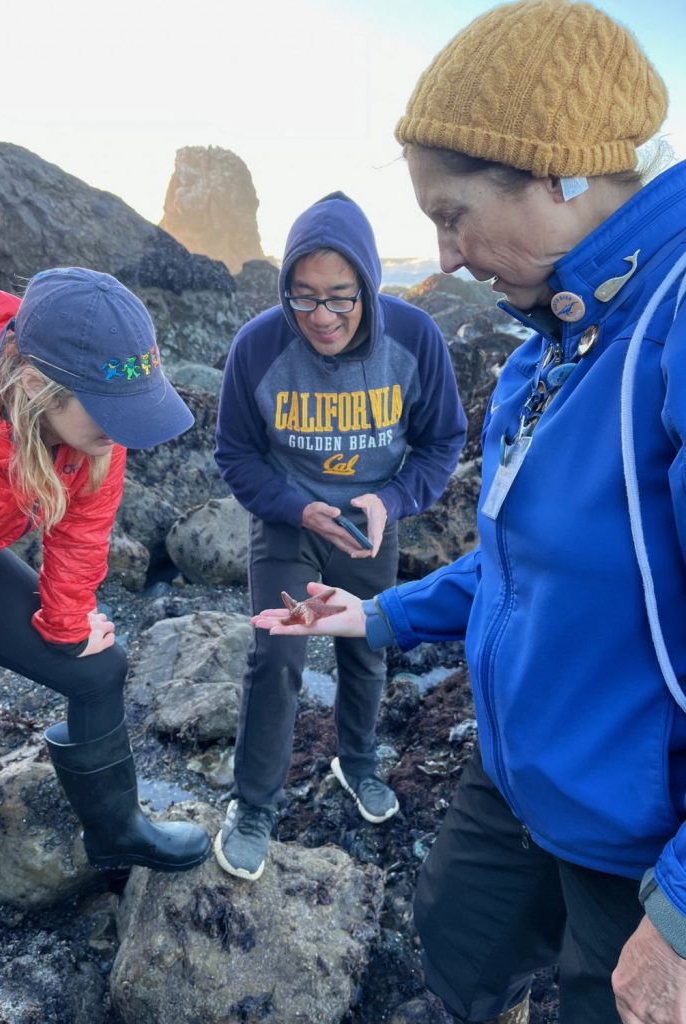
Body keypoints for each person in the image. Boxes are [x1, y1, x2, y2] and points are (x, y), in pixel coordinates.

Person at [250, 2, 686, 1022]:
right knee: (452, 942)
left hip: (638, 827)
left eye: (451, 214)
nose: (442, 256)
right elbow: (521, 560)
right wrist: (374, 614)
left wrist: (676, 914)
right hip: (521, 775)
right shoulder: (551, 347)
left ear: (551, 172)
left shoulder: (669, 328)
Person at [0, 267, 212, 1024]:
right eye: (109, 410)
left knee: (98, 667)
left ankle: (117, 834)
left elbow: (82, 529)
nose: (125, 427)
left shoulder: (96, 431)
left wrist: (67, 620)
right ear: (38, 386)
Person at [213, 191, 467, 881]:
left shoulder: (414, 340)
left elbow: (443, 439)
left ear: (369, 287)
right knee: (279, 656)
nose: (320, 317)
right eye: (303, 298)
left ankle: (356, 763)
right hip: (291, 527)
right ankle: (255, 805)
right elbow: (234, 452)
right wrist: (296, 509)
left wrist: (393, 499)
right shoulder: (258, 346)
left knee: (366, 649)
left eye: (339, 298)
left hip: (365, 531)